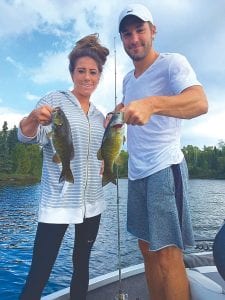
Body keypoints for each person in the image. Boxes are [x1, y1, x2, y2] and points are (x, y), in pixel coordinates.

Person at [116, 3, 208, 300]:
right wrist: (114, 113)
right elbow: (130, 104)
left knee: (168, 257)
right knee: (147, 252)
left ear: (153, 31)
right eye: (127, 34)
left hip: (164, 169)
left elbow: (199, 102)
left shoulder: (172, 63)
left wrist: (153, 104)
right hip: (136, 173)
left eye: (139, 30)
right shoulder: (128, 80)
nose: (134, 39)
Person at [18, 33, 109, 300]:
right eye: (81, 71)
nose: (87, 77)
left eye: (93, 72)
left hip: (93, 203)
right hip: (57, 203)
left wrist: (103, 160)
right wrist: (34, 117)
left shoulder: (100, 115)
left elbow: (100, 154)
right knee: (39, 273)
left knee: (82, 268)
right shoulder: (53, 101)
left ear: (99, 76)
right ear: (72, 73)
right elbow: (25, 137)